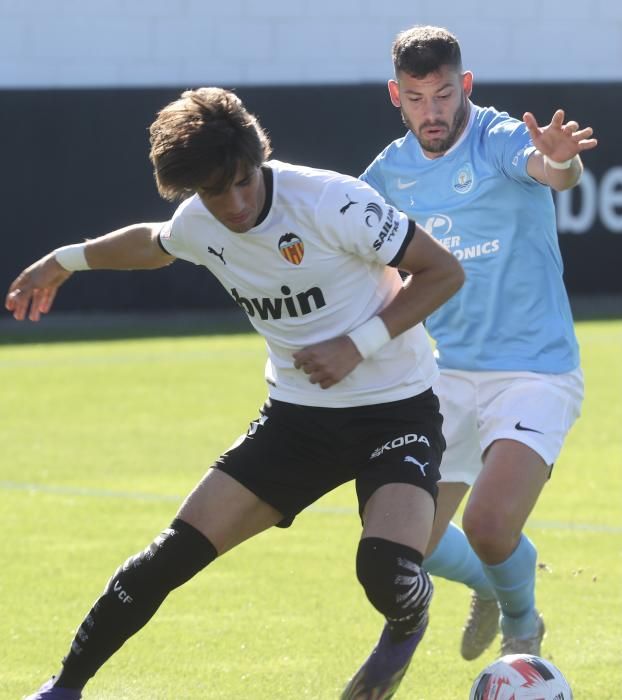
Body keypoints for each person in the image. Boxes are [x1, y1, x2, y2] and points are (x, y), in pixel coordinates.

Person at [6, 87, 464, 700]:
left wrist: (359, 343)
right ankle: (62, 688)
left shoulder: (331, 201)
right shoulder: (200, 221)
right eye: (216, 192)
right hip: (296, 423)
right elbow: (155, 242)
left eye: (245, 182)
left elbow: (444, 271)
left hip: (397, 411)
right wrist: (64, 260)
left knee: (385, 570)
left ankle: (408, 620)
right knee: (165, 559)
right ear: (192, 189)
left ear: (259, 159)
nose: (237, 203)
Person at [360, 25, 597, 660]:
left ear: (465, 85)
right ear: (395, 96)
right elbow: (353, 253)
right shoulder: (387, 174)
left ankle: (522, 620)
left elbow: (551, 168)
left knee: (489, 528)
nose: (431, 112)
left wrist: (562, 161)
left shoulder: (496, 137)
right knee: (411, 542)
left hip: (535, 372)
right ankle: (492, 589)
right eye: (416, 98)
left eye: (442, 94)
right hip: (444, 376)